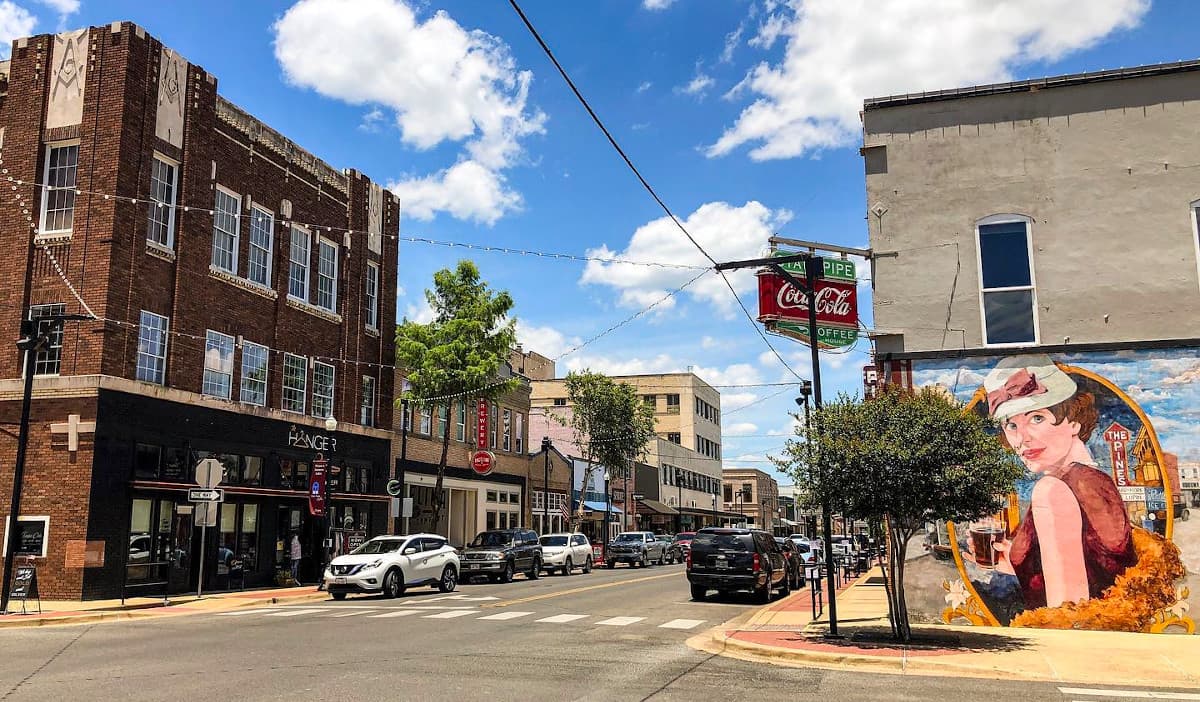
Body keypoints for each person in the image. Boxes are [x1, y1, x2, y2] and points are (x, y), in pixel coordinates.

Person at [970, 355, 1137, 611]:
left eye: (1037, 418)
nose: (1021, 438)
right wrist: (1013, 563)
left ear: (1073, 420)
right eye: (1011, 425)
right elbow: (1096, 574)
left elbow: (1066, 613)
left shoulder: (1052, 490)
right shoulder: (1095, 482)